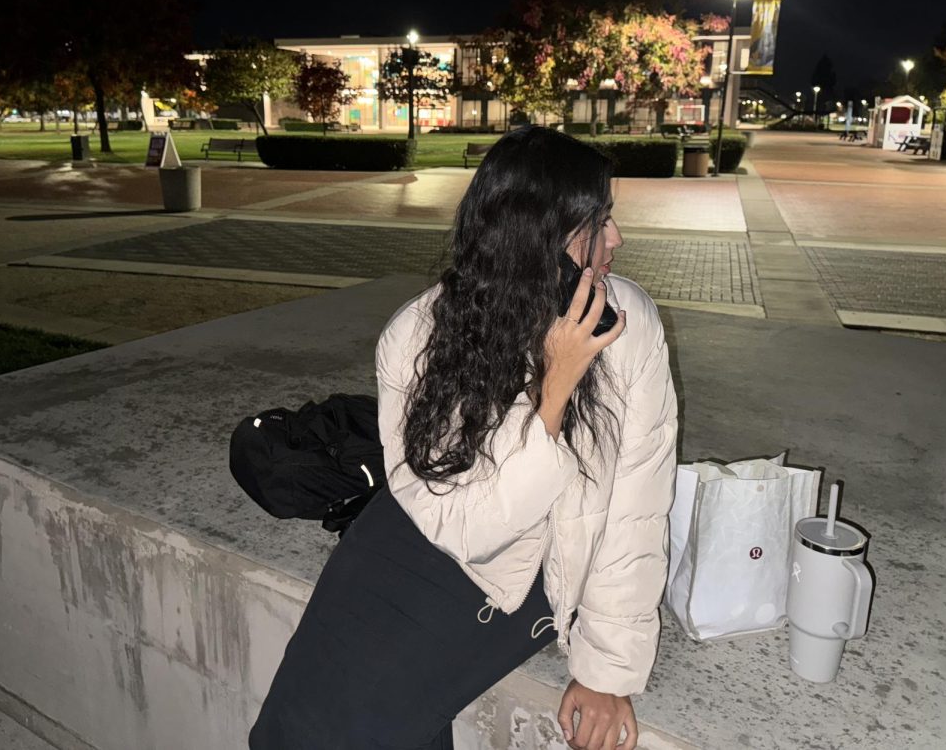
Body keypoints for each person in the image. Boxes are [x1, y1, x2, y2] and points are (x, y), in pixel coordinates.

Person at [249, 125, 678, 750]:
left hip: (534, 571)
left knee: (364, 726)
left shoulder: (628, 326)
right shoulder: (418, 337)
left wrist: (607, 671)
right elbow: (467, 527)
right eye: (597, 223)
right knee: (295, 731)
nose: (616, 239)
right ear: (535, 241)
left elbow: (639, 502)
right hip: (425, 530)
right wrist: (553, 387)